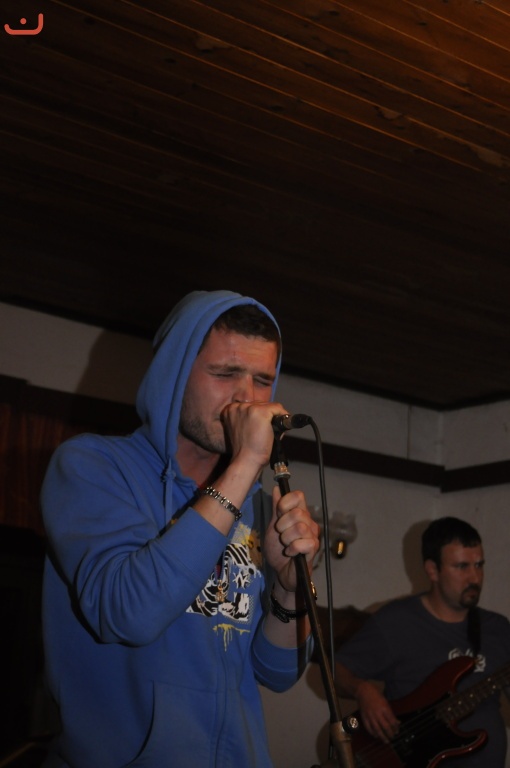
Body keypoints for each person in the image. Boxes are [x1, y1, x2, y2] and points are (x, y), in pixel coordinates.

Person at [40, 289, 320, 768]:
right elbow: (127, 614)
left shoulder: (255, 504)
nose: (246, 398)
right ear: (173, 374)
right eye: (225, 373)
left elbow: (276, 673)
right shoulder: (92, 467)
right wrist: (245, 465)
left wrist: (291, 591)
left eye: (262, 380)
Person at [335, 516, 510, 767]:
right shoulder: (396, 622)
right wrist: (362, 691)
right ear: (432, 570)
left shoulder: (498, 629)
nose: (475, 577)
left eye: (479, 565)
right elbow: (336, 671)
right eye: (462, 566)